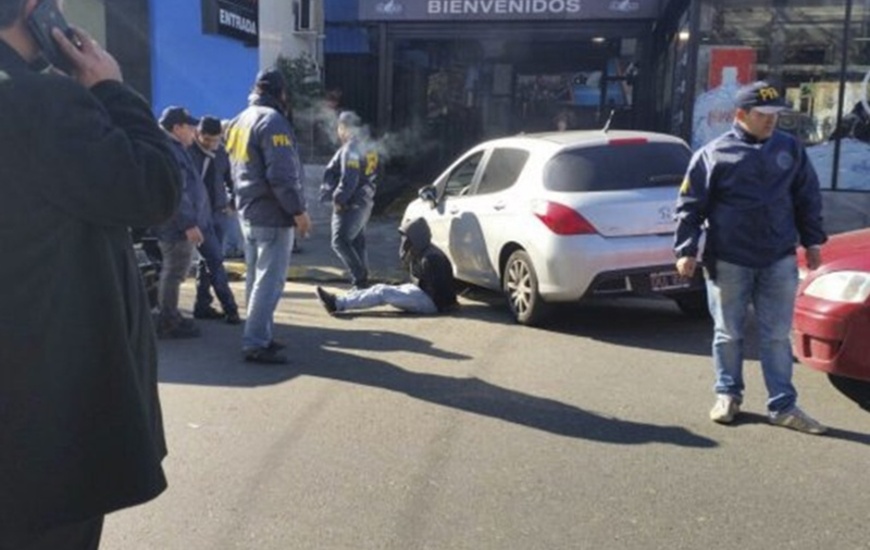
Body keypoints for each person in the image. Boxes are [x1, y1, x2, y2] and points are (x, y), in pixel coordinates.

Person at [0, 0, 179, 546]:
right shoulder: (39, 102)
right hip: (48, 432)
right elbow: (155, 187)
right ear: (32, 9)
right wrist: (110, 89)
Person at [674, 80, 828, 435]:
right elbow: (690, 206)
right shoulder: (714, 154)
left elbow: (807, 196)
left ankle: (783, 406)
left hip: (778, 258)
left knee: (777, 336)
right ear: (741, 114)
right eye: (763, 115)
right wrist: (686, 250)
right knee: (728, 333)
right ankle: (728, 395)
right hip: (730, 259)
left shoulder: (790, 148)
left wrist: (813, 241)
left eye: (775, 115)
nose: (771, 121)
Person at [225, 68, 312, 364]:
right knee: (270, 281)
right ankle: (256, 342)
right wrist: (298, 211)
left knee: (255, 277)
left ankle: (259, 333)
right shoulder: (273, 122)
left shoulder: (239, 120)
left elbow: (232, 169)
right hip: (272, 214)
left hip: (248, 211)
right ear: (281, 93)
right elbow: (282, 176)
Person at [315, 217, 458, 315]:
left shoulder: (431, 258)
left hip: (432, 303)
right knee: (380, 288)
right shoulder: (423, 251)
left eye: (407, 238)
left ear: (417, 237)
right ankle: (340, 300)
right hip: (424, 294)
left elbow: (441, 293)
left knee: (383, 292)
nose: (405, 241)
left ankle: (338, 304)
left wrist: (444, 307)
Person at [153, 105, 211, 339]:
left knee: (174, 272)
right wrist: (188, 224)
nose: (194, 132)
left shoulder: (174, 148)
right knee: (174, 272)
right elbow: (178, 191)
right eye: (190, 127)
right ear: (177, 128)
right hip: (176, 226)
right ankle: (168, 319)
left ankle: (170, 315)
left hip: (175, 223)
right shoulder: (171, 151)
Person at [188, 115, 242, 325]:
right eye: (207, 139)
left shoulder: (221, 152)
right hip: (199, 217)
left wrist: (233, 202)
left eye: (216, 139)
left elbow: (231, 178)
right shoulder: (188, 153)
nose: (211, 144)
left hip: (219, 213)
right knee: (216, 261)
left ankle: (202, 305)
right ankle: (230, 307)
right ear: (198, 134)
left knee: (208, 261)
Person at [320, 110, 378, 289]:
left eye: (339, 127)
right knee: (357, 241)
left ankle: (360, 278)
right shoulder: (368, 147)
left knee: (340, 241)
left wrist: (339, 199)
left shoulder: (351, 149)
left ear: (344, 128)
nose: (338, 131)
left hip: (351, 204)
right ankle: (362, 284)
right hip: (365, 201)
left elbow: (349, 178)